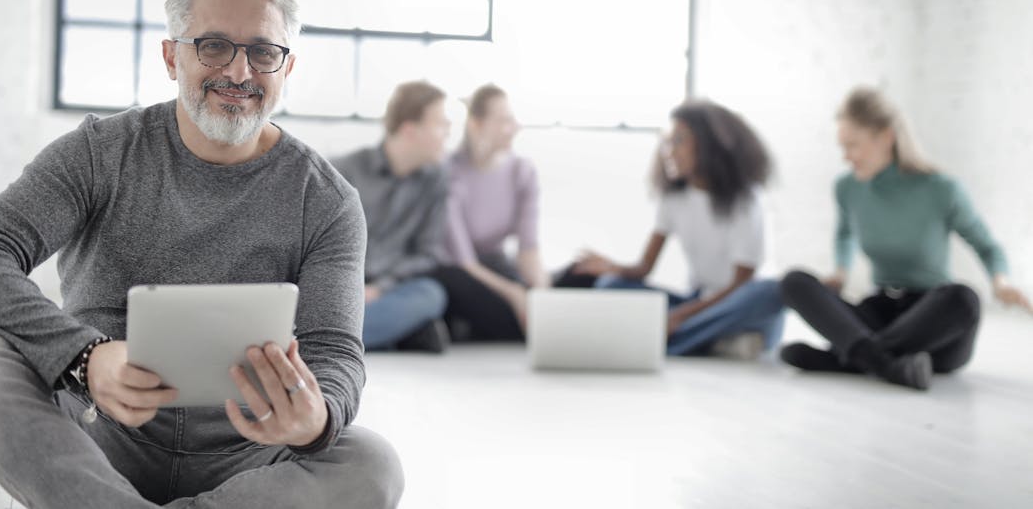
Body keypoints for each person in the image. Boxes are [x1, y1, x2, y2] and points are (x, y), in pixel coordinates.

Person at [0, 0, 402, 508]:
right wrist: (85, 357)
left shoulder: (326, 200)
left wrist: (315, 418)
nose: (239, 72)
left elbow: (336, 351)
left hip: (250, 453)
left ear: (285, 69)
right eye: (214, 45)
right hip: (96, 433)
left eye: (263, 51)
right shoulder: (99, 153)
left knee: (371, 465)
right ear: (171, 56)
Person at [779, 86, 1032, 390]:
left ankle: (847, 359)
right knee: (794, 282)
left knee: (965, 298)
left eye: (853, 146)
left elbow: (986, 246)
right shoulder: (847, 188)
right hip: (881, 312)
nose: (846, 157)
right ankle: (886, 363)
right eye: (842, 148)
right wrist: (841, 271)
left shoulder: (941, 188)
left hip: (933, 324)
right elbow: (844, 234)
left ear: (886, 137)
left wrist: (1001, 282)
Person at [573, 100, 785, 359]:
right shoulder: (674, 199)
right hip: (698, 303)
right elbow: (644, 268)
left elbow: (740, 285)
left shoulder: (746, 199)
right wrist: (613, 267)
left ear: (709, 144)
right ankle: (708, 343)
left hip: (738, 307)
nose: (669, 151)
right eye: (668, 142)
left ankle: (664, 342)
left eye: (679, 141)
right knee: (610, 286)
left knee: (771, 291)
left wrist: (678, 317)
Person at [332, 80, 453, 352]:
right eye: (440, 124)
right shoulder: (344, 170)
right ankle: (393, 333)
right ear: (410, 130)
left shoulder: (436, 182)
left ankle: (329, 341)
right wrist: (352, 290)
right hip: (338, 285)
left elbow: (428, 253)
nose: (447, 133)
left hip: (388, 289)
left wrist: (381, 288)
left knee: (431, 294)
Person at [435, 84, 548, 341]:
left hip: (497, 265)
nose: (516, 127)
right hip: (458, 270)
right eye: (505, 120)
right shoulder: (449, 174)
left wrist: (542, 299)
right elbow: (464, 260)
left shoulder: (523, 171)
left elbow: (528, 249)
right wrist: (516, 295)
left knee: (564, 283)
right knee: (503, 307)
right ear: (476, 124)